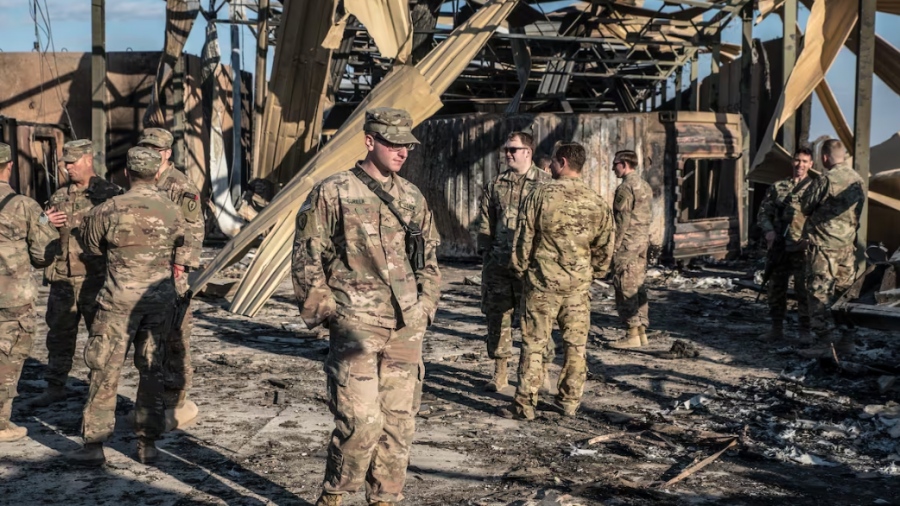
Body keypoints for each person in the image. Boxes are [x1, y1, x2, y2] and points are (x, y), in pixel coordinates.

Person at [292, 108, 441, 506]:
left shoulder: (411, 197)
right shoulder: (333, 191)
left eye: (407, 144)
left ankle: (386, 498)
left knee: (398, 425)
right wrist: (328, 311)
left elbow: (429, 259)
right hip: (357, 324)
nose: (402, 152)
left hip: (406, 326)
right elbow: (307, 254)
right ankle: (335, 496)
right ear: (370, 141)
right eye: (393, 143)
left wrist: (426, 306)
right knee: (361, 423)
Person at [67, 147, 189, 465]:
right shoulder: (172, 209)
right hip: (159, 302)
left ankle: (94, 445)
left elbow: (91, 246)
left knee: (104, 370)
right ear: (155, 172)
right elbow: (180, 243)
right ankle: (147, 444)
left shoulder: (107, 209)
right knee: (151, 371)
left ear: (127, 174)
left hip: (118, 302)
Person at [502, 143, 613, 419]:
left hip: (542, 284)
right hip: (577, 288)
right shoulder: (596, 201)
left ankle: (525, 404)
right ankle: (569, 402)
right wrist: (589, 274)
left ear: (562, 162)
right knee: (575, 346)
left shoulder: (538, 195)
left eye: (553, 162)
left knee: (534, 343)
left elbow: (523, 239)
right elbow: (605, 248)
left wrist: (522, 270)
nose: (549, 166)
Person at [29, 139, 123, 408]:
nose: (68, 167)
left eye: (73, 162)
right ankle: (55, 386)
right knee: (58, 335)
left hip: (97, 278)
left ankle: (99, 393)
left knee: (100, 338)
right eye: (65, 162)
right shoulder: (59, 196)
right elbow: (39, 230)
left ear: (88, 159)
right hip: (63, 278)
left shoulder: (110, 194)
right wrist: (46, 221)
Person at [472, 131, 551, 392]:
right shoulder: (496, 185)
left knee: (536, 321)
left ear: (527, 152)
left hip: (532, 266)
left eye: (513, 149)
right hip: (499, 265)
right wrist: (486, 255)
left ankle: (542, 373)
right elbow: (486, 223)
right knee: (498, 318)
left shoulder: (546, 183)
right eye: (506, 149)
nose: (508, 154)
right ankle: (500, 373)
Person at [137, 127, 204, 429]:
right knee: (149, 337)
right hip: (147, 271)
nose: (150, 152)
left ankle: (176, 399)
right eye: (145, 147)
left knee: (175, 336)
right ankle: (153, 398)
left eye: (155, 148)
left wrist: (181, 266)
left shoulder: (179, 184)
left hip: (172, 272)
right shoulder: (144, 181)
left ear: (167, 153)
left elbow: (193, 230)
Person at [0, 142, 61, 442]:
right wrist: (45, 224)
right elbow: (42, 255)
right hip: (13, 298)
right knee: (8, 357)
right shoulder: (24, 205)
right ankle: (1, 424)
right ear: (9, 166)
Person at [799, 139, 866, 356]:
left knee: (819, 293)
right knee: (844, 293)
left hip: (823, 247)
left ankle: (823, 344)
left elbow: (806, 206)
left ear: (825, 158)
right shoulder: (858, 180)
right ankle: (847, 341)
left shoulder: (826, 179)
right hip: (847, 248)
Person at [756, 147, 814, 342]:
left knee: (803, 290)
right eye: (797, 160)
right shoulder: (778, 187)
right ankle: (776, 328)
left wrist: (810, 239)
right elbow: (763, 213)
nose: (800, 165)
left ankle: (804, 331)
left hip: (800, 247)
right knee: (776, 288)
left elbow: (820, 219)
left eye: (805, 161)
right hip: (779, 245)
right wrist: (769, 231)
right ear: (792, 162)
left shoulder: (815, 189)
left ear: (811, 164)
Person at [607, 151, 653, 349]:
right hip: (642, 241)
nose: (613, 168)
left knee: (624, 285)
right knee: (638, 284)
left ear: (624, 164)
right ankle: (641, 331)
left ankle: (631, 333)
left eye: (615, 164)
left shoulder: (625, 188)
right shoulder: (645, 185)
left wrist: (613, 248)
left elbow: (621, 222)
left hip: (628, 243)